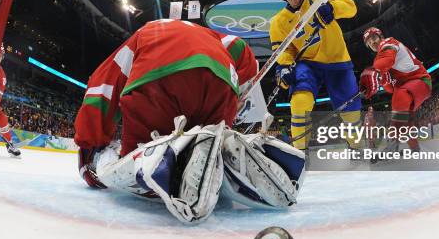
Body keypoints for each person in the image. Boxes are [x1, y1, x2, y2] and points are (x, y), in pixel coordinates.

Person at [74, 19, 305, 223]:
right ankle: (223, 152)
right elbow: (244, 53)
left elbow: (100, 93)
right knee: (208, 139)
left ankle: (156, 160)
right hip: (221, 81)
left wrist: (88, 146)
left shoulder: (142, 36)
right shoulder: (215, 36)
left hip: (159, 78)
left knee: (142, 157)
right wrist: (240, 87)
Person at [270, 0, 361, 150]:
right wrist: (285, 66)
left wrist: (333, 8)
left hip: (338, 59)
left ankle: (355, 146)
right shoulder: (278, 22)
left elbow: (351, 7)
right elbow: (283, 50)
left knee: (351, 108)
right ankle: (300, 152)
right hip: (308, 64)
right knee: (299, 102)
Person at [360, 27, 431, 151]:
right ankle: (414, 148)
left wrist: (374, 70)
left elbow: (388, 59)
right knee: (403, 117)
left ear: (380, 36)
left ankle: (392, 145)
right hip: (407, 87)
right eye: (369, 43)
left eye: (373, 38)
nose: (372, 43)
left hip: (419, 80)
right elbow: (390, 89)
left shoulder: (388, 42)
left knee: (399, 98)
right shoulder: (378, 59)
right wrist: (384, 80)